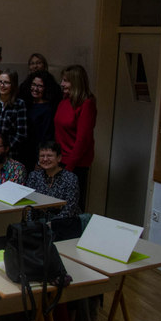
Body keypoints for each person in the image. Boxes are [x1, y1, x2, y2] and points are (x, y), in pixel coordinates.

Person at [55, 64, 96, 211]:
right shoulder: (64, 101)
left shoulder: (86, 104)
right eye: (62, 80)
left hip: (75, 165)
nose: (62, 84)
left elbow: (83, 140)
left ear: (76, 82)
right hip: (59, 161)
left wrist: (69, 168)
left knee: (72, 207)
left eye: (66, 81)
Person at [26, 141, 80, 219]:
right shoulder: (34, 176)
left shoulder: (70, 178)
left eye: (49, 156)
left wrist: (52, 224)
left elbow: (69, 209)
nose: (45, 159)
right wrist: (30, 223)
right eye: (42, 156)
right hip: (38, 222)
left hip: (64, 222)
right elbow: (28, 206)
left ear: (59, 158)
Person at [19, 69, 60, 172]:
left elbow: (46, 137)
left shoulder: (47, 109)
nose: (35, 89)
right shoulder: (26, 103)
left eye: (40, 86)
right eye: (33, 85)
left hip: (36, 155)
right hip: (22, 153)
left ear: (46, 88)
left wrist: (40, 160)